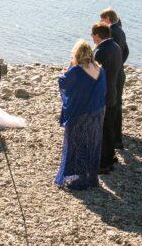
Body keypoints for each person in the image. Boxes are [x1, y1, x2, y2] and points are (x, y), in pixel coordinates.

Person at [55, 40, 106, 190]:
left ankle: (77, 177)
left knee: (76, 144)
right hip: (97, 113)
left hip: (80, 113)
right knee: (92, 144)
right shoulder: (100, 70)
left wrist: (70, 67)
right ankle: (90, 177)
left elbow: (64, 84)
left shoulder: (77, 70)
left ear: (77, 54)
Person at [91, 21, 122, 173]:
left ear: (97, 36)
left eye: (92, 35)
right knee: (109, 128)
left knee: (102, 129)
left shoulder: (100, 52)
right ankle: (110, 158)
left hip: (102, 95)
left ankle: (103, 163)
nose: (91, 38)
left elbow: (95, 76)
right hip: (113, 93)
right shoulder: (115, 47)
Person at [100, 7, 128, 150]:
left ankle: (115, 139)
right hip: (119, 73)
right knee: (117, 105)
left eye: (102, 19)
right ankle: (117, 138)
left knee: (114, 106)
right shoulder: (120, 30)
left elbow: (112, 52)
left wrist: (115, 66)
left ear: (108, 19)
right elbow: (126, 51)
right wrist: (120, 64)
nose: (100, 22)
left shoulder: (112, 32)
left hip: (115, 76)